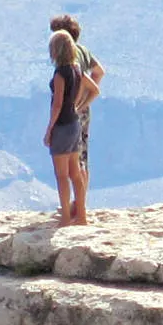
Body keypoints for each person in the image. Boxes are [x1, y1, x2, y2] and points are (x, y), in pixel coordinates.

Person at [49, 14, 106, 217]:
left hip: (68, 114)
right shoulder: (83, 52)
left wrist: (76, 101)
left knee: (69, 165)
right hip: (81, 111)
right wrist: (85, 101)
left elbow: (58, 102)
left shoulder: (67, 59)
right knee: (82, 158)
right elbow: (99, 72)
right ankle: (80, 205)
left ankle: (73, 210)